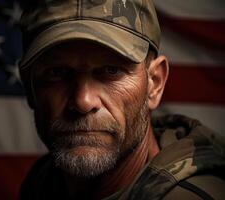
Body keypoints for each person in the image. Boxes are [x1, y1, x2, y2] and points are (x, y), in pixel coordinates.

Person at [18, 0, 225, 199]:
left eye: (111, 70)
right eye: (57, 72)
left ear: (155, 83)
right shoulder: (44, 180)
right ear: (30, 87)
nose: (83, 101)